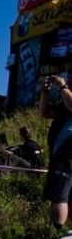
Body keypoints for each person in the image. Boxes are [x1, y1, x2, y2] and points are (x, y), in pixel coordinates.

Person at [40, 74, 72, 229]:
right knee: (66, 196)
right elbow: (44, 113)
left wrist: (63, 87)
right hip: (59, 152)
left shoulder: (68, 96)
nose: (68, 79)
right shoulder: (64, 100)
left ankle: (55, 232)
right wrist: (45, 93)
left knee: (59, 196)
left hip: (67, 152)